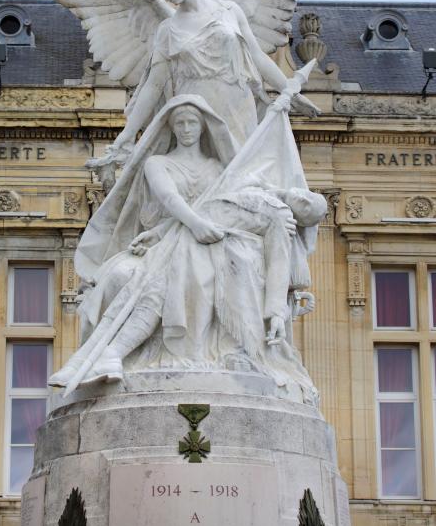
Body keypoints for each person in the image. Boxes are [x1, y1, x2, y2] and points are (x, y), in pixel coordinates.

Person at [51, 96, 326, 402]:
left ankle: (113, 352)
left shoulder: (238, 182)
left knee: (174, 272)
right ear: (170, 125)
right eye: (180, 122)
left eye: (192, 122)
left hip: (200, 243)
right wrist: (186, 227)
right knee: (161, 273)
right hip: (181, 234)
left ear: (204, 126)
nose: (186, 129)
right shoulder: (158, 164)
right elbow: (171, 200)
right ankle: (109, 353)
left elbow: (259, 214)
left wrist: (276, 309)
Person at [99, 0, 318, 162]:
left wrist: (292, 93)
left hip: (237, 99)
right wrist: (128, 133)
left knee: (244, 172)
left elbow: (257, 56)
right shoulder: (168, 29)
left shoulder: (230, 10)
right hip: (195, 108)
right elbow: (154, 84)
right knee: (207, 172)